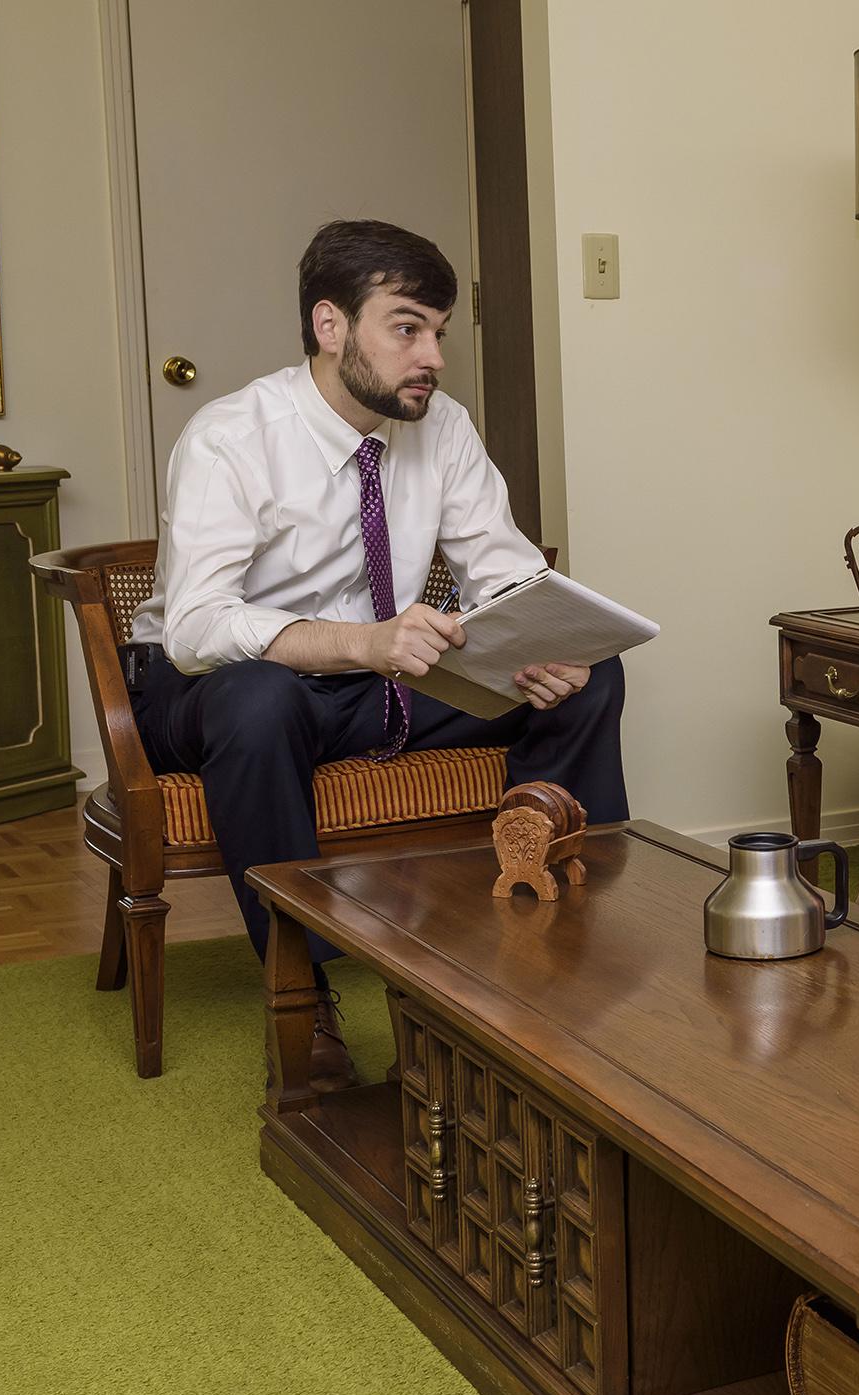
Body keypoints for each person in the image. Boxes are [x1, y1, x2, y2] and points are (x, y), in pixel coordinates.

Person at [127, 219, 626, 1085]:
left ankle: (550, 932)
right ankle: (303, 990)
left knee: (586, 678)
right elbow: (198, 627)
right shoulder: (230, 435)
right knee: (260, 696)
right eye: (407, 328)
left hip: (375, 687)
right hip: (209, 692)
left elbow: (504, 571)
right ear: (330, 326)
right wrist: (364, 641)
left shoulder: (444, 428)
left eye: (438, 332)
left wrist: (539, 641)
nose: (430, 355)